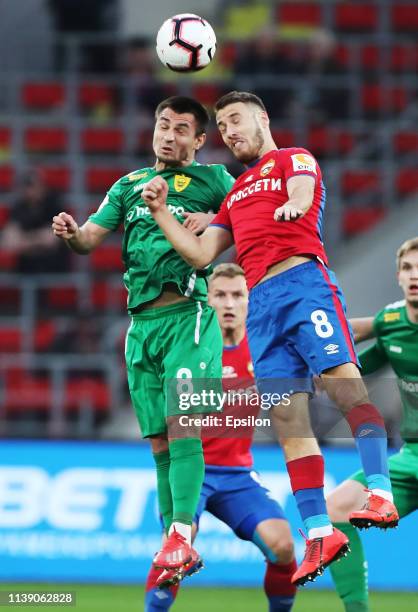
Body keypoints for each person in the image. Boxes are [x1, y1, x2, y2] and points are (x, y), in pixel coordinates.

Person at [141, 91, 399, 586]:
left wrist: (293, 206)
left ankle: (380, 491)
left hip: (303, 286)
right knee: (288, 419)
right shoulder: (235, 195)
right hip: (261, 308)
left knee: (346, 385)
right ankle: (320, 531)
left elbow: (302, 190)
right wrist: (161, 212)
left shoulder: (292, 157)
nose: (229, 131)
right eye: (222, 125)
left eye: (236, 119)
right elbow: (200, 254)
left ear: (262, 118)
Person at [51, 96, 235, 572]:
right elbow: (90, 240)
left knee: (183, 426)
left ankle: (182, 533)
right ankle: (174, 545)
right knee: (158, 442)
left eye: (180, 129)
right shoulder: (128, 184)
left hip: (189, 318)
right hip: (141, 327)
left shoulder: (215, 180)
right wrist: (72, 233)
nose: (168, 135)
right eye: (163, 125)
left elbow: (247, 218)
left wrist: (215, 220)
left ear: (199, 140)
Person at [145, 263, 297, 612]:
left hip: (237, 475)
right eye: (220, 295)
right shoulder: (188, 350)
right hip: (189, 473)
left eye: (237, 295)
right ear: (207, 300)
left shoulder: (264, 351)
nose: (229, 303)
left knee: (284, 547)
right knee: (176, 547)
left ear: (249, 301)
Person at [327, 237, 418, 612]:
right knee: (334, 508)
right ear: (398, 276)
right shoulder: (392, 322)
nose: (415, 276)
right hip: (410, 456)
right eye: (409, 268)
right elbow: (355, 372)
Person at [2, 169, 70, 273]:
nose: (30, 190)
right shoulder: (19, 207)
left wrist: (24, 242)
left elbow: (50, 240)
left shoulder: (54, 205)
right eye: (27, 186)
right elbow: (9, 242)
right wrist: (37, 240)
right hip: (25, 270)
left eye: (33, 186)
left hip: (53, 269)